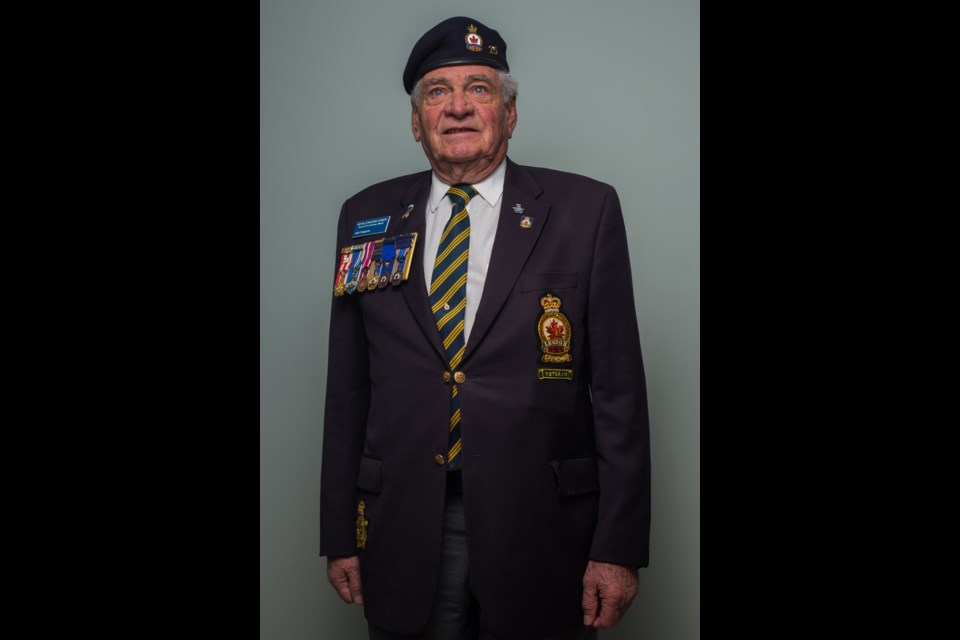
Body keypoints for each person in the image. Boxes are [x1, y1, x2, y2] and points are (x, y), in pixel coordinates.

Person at [320, 16, 651, 640]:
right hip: (406, 523)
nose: (459, 108)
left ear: (510, 111)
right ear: (416, 122)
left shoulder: (586, 211)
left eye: (479, 88)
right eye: (437, 93)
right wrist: (338, 532)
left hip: (544, 525)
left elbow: (619, 395)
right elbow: (348, 389)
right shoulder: (365, 217)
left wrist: (619, 547)